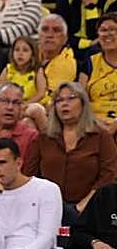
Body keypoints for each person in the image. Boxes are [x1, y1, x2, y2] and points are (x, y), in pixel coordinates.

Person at [24, 81, 117, 225]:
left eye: (70, 98)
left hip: (91, 210)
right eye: (59, 100)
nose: (64, 104)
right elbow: (29, 174)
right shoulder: (43, 138)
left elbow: (109, 175)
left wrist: (84, 204)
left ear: (83, 103)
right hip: (47, 209)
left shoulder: (101, 136)